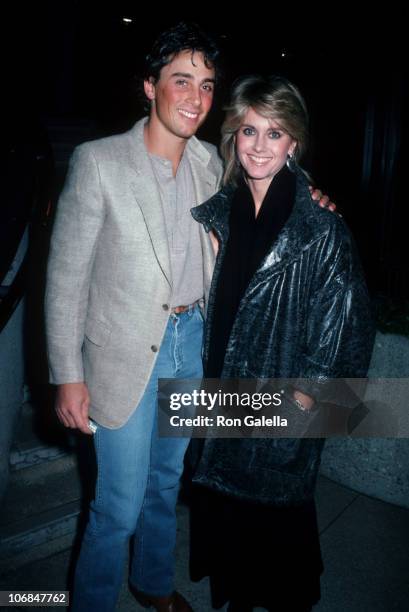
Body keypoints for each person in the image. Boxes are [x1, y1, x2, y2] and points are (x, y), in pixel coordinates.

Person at [45, 22, 333, 611]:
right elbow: (64, 278)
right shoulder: (98, 162)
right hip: (122, 353)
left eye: (206, 85)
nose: (197, 98)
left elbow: (270, 171)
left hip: (191, 343)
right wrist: (65, 374)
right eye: (182, 81)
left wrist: (313, 195)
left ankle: (151, 583)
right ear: (149, 87)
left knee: (165, 485)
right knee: (116, 507)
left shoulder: (211, 163)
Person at [189, 75, 375, 611]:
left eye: (275, 134)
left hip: (280, 398)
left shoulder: (320, 227)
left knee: (276, 515)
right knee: (232, 511)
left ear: (294, 142)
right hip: (225, 388)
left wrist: (306, 398)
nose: (260, 146)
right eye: (250, 131)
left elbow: (345, 322)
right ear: (233, 136)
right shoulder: (222, 210)